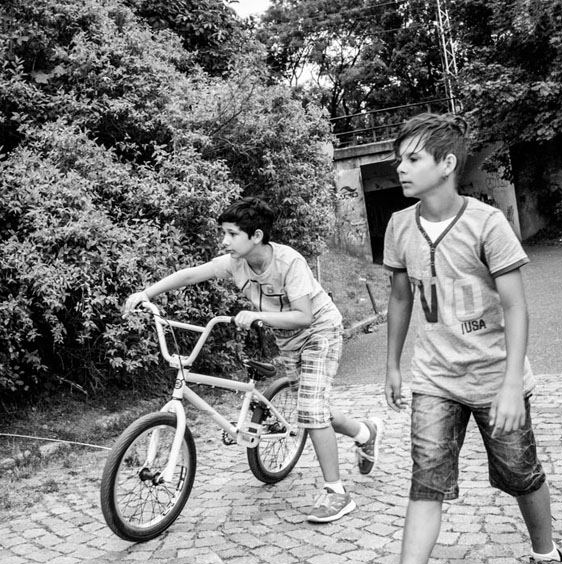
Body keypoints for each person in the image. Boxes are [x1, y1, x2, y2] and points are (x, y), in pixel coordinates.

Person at [348, 113, 562, 564]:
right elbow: (400, 298)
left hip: (496, 376)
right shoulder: (400, 226)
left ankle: (549, 560)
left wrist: (513, 382)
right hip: (435, 377)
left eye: (412, 158)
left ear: (447, 165)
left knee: (521, 473)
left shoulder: (487, 223)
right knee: (426, 483)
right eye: (399, 159)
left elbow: (516, 308)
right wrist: (393, 364)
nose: (401, 168)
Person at [123, 196, 383, 523]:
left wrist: (255, 314)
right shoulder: (235, 263)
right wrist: (147, 294)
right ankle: (365, 433)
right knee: (315, 408)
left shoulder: (290, 263)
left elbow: (303, 316)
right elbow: (190, 275)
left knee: (312, 410)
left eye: (232, 234)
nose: (224, 241)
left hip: (320, 332)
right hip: (287, 340)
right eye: (224, 233)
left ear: (256, 236)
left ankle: (336, 493)